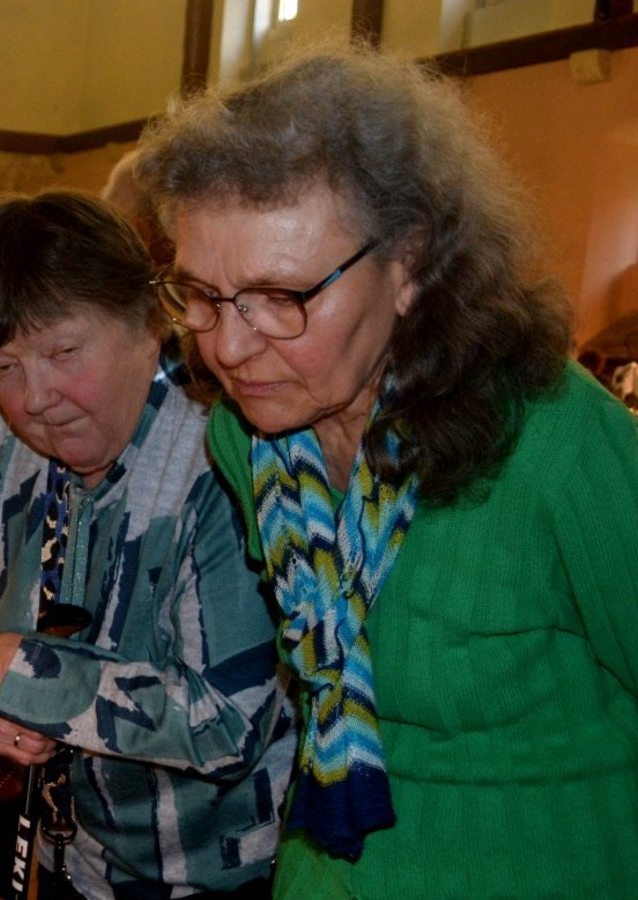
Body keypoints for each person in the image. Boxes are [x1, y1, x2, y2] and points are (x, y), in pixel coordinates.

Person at [136, 46, 638, 899]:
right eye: (202, 295)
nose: (227, 344)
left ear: (409, 263)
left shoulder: (557, 441)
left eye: (284, 296)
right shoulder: (249, 439)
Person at [0, 190, 295, 898]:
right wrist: (5, 694)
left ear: (148, 324)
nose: (35, 396)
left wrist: (39, 681)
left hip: (211, 878)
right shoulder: (4, 433)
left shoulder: (222, 452)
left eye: (63, 351)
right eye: (3, 368)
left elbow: (227, 723)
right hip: (65, 858)